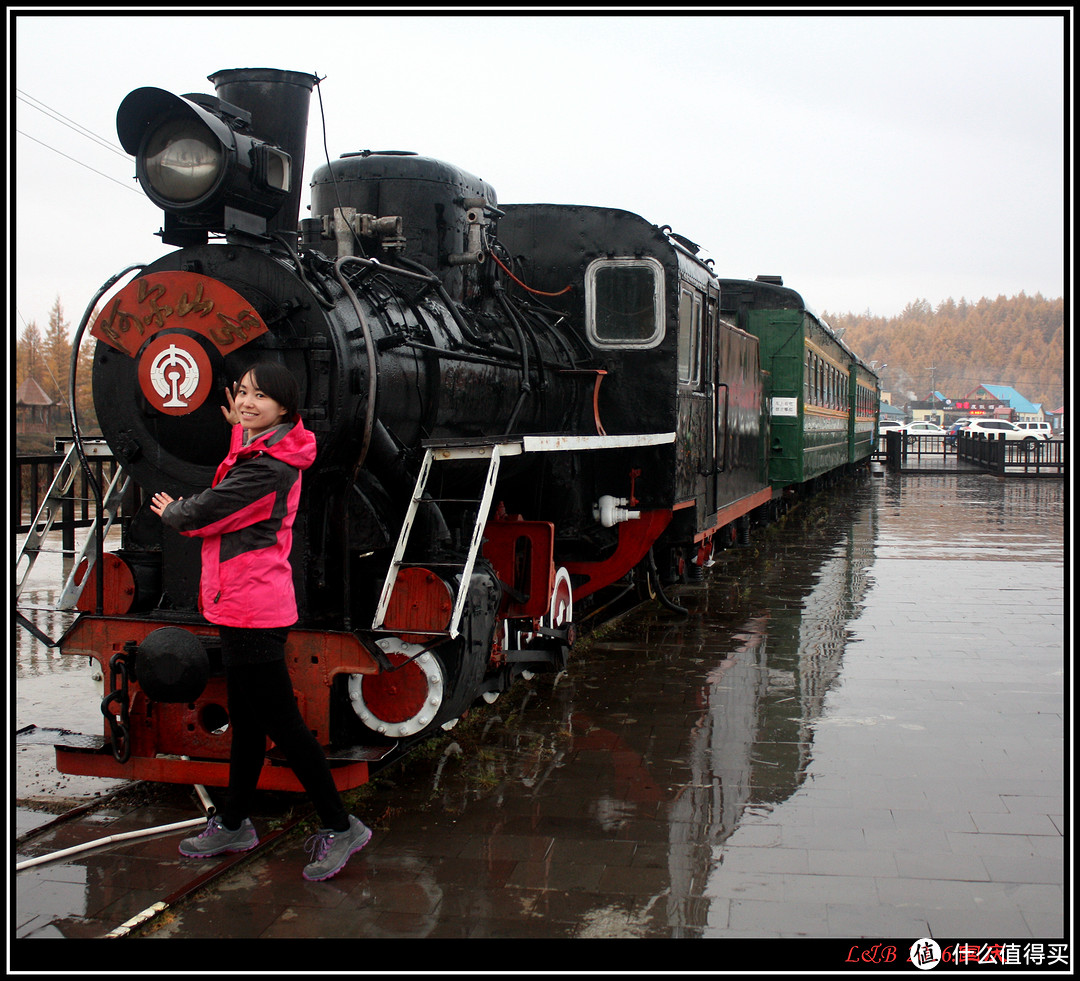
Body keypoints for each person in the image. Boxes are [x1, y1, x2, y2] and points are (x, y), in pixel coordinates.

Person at [150, 361, 372, 882]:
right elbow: (238, 468)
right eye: (243, 393)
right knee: (249, 721)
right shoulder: (265, 451)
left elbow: (210, 510)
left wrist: (173, 513)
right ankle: (233, 821)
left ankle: (342, 828)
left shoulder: (268, 469)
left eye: (259, 397)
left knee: (283, 724)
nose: (247, 402)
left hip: (253, 609)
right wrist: (237, 428)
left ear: (285, 409)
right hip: (243, 603)